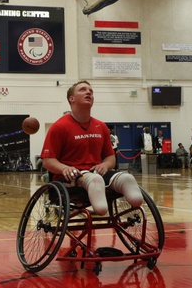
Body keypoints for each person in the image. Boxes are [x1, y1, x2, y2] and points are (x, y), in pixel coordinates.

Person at [40, 80, 144, 216]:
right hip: (70, 178)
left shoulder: (101, 126)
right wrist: (65, 168)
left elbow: (110, 157)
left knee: (127, 178)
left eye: (91, 91)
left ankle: (131, 201)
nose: (88, 92)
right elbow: (48, 161)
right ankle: (99, 207)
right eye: (83, 90)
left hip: (96, 173)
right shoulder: (59, 127)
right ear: (71, 99)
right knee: (95, 181)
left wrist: (105, 165)